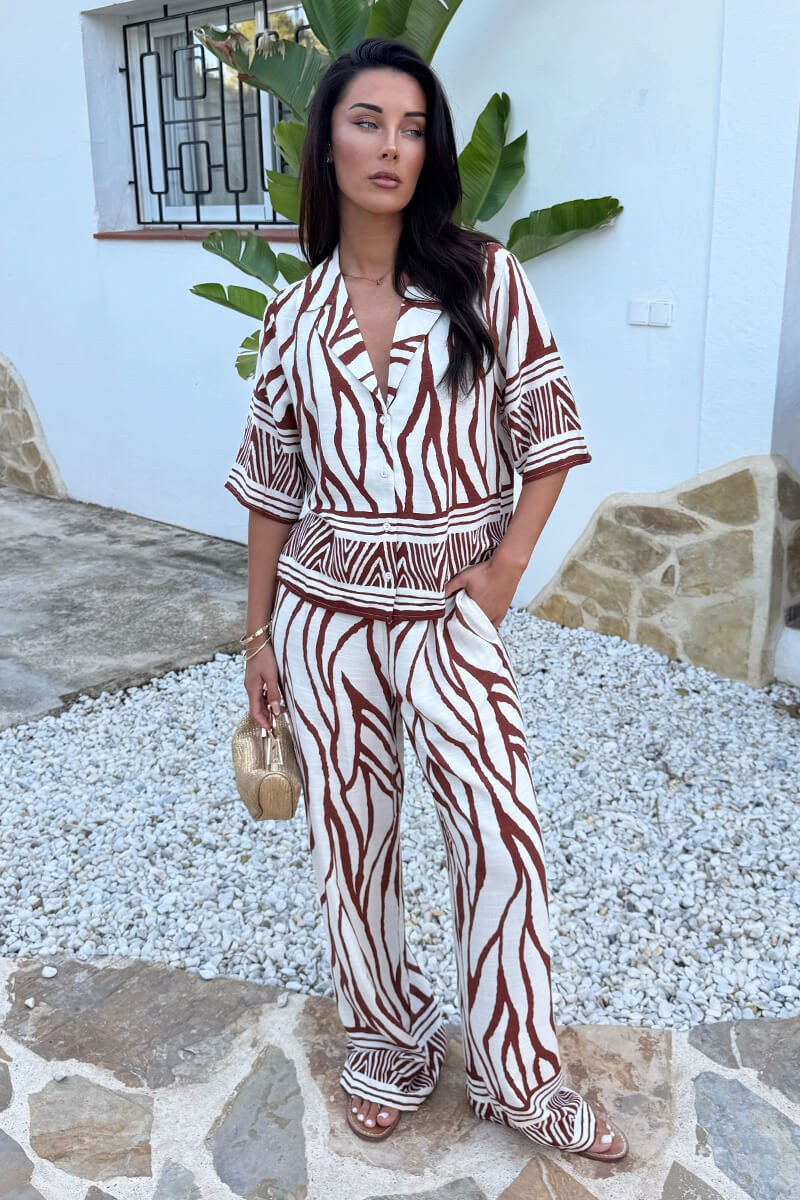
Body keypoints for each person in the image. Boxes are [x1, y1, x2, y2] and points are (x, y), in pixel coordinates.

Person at [224, 35, 629, 1162]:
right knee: (350, 844)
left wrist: (502, 574)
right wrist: (257, 636)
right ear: (327, 143)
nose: (390, 147)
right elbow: (270, 487)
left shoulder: (483, 277)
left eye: (411, 128)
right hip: (324, 614)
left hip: (451, 610)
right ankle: (388, 1043)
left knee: (499, 832)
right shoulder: (294, 315)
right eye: (368, 122)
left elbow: (550, 439)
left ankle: (518, 1074)